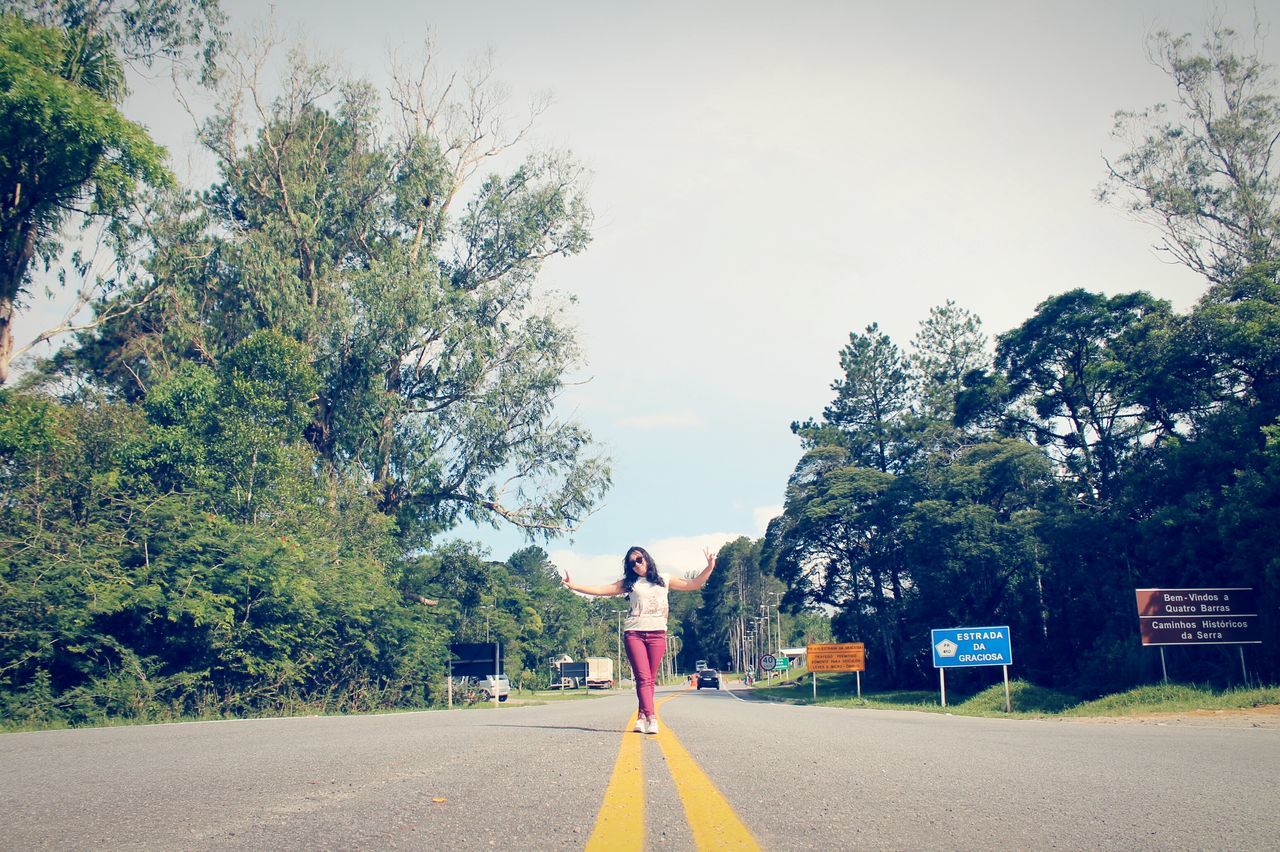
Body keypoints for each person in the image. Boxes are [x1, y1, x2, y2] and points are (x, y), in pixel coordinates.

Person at [561, 545, 716, 734]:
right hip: (634, 633)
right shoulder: (630, 583)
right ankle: (652, 718)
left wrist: (709, 566)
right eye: (632, 563)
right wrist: (574, 586)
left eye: (639, 560)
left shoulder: (664, 579)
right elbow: (602, 589)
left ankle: (641, 717)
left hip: (657, 634)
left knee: (650, 679)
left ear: (647, 559)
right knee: (642, 677)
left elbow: (694, 584)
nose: (636, 565)